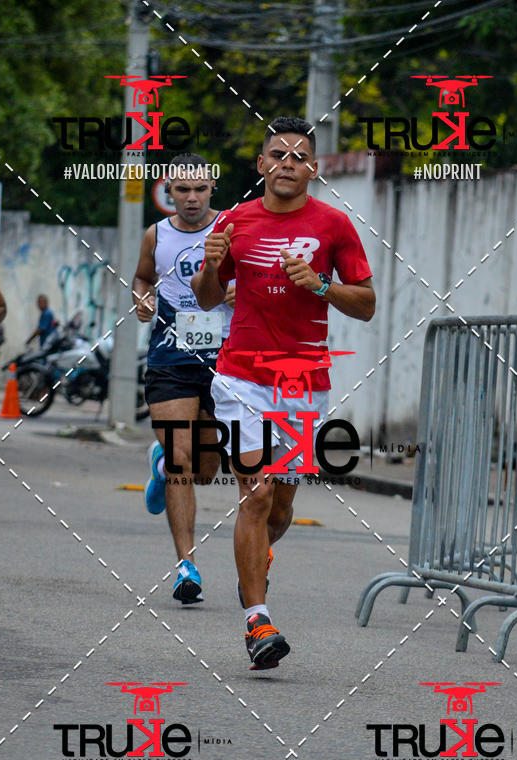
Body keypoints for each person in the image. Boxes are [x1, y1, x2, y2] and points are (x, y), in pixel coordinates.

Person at [192, 116, 375, 670]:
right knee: (257, 495)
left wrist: (320, 285)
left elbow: (366, 305)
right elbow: (207, 298)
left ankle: (258, 558)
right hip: (241, 377)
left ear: (313, 169)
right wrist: (211, 263)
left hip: (302, 383)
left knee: (282, 504)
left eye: (298, 156)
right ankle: (258, 622)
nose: (287, 163)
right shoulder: (234, 221)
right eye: (278, 154)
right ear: (261, 164)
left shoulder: (334, 225)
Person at [133, 153, 233, 605]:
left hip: (223, 361)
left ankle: (158, 463)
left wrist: (238, 291)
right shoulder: (156, 235)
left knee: (206, 472)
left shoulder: (231, 229)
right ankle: (186, 565)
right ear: (168, 191)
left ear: (212, 189)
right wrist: (142, 299)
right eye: (183, 189)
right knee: (181, 460)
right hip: (170, 358)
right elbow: (141, 278)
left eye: (200, 189)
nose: (192, 198)